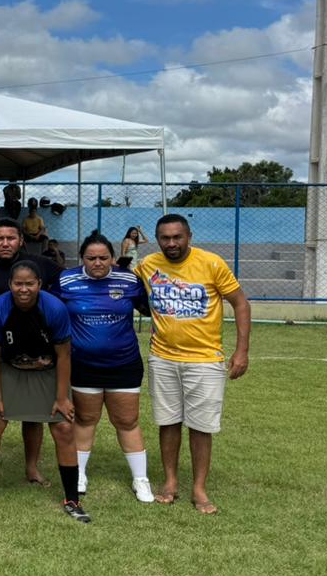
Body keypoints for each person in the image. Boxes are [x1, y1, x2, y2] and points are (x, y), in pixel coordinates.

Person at [134, 214, 251, 514]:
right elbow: (128, 289)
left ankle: (199, 488)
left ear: (189, 236)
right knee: (168, 421)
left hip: (204, 360)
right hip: (162, 358)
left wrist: (242, 351)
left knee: (201, 426)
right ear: (158, 239)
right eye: (165, 238)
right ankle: (170, 481)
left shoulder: (211, 263)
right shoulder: (148, 266)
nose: (171, 243)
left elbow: (240, 303)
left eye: (177, 237)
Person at [0, 262, 87, 522]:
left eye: (29, 284)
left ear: (39, 284)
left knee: (64, 428)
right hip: (10, 368)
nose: (23, 289)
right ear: (10, 285)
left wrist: (61, 398)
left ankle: (72, 499)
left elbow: (64, 354)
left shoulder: (55, 308)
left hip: (47, 369)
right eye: (18, 284)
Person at [0, 218, 61, 486]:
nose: (5, 243)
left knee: (34, 414)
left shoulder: (41, 265)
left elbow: (68, 281)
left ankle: (32, 468)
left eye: (11, 238)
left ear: (21, 240)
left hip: (34, 353)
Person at [59, 234, 154, 503]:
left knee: (127, 421)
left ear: (113, 257)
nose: (98, 263)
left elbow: (149, 309)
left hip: (123, 363)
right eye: (91, 258)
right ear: (82, 259)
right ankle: (79, 474)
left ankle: (140, 479)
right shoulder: (66, 281)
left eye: (103, 258)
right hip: (83, 364)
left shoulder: (129, 280)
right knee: (86, 419)